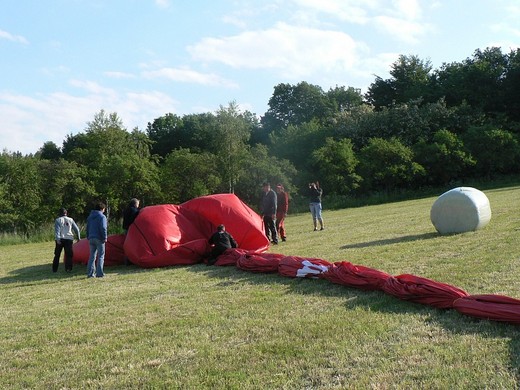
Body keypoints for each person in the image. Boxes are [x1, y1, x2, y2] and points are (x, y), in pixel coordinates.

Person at [52, 208, 81, 272]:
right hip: (69, 238)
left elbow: (57, 231)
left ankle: (54, 269)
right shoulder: (71, 219)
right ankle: (68, 268)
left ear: (59, 213)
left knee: (57, 254)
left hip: (61, 238)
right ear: (66, 213)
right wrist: (78, 237)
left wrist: (58, 239)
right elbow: (77, 229)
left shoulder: (58, 220)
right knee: (69, 255)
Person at [86, 202, 108, 278]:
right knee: (101, 255)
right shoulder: (102, 217)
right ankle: (99, 273)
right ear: (102, 209)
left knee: (92, 256)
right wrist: (105, 237)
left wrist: (88, 236)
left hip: (91, 237)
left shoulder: (90, 217)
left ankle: (90, 273)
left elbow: (87, 227)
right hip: (99, 238)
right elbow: (103, 228)